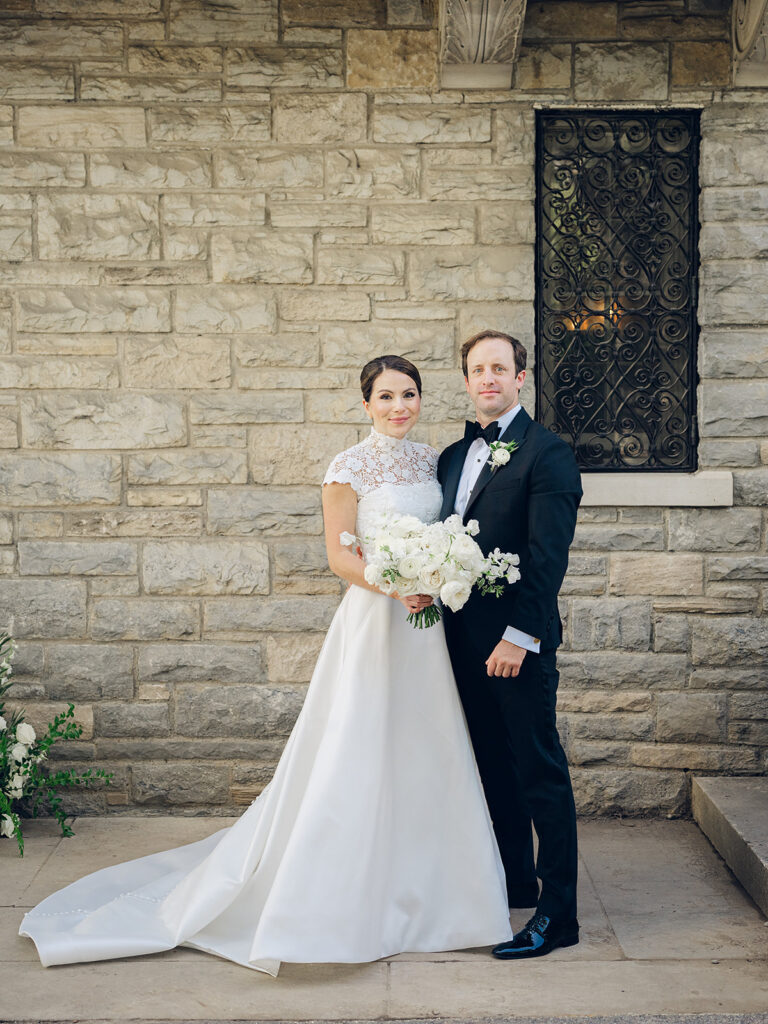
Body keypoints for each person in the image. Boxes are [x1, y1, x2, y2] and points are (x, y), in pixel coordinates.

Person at [19, 354, 513, 976]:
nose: (399, 407)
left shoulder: (429, 461)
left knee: (425, 747)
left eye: (409, 395)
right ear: (366, 404)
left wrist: (438, 575)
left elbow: (445, 536)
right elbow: (340, 557)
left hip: (425, 629)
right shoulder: (347, 467)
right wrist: (397, 585)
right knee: (357, 747)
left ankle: (434, 897)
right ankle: (339, 897)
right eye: (385, 397)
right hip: (375, 620)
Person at [438, 330, 582, 960]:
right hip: (458, 644)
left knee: (537, 771)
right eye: (477, 369)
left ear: (521, 377)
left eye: (500, 367)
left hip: (515, 645)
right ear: (467, 381)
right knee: (490, 767)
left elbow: (547, 561)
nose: (488, 378)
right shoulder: (451, 457)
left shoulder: (547, 454)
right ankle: (515, 883)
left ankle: (559, 914)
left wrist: (519, 638)